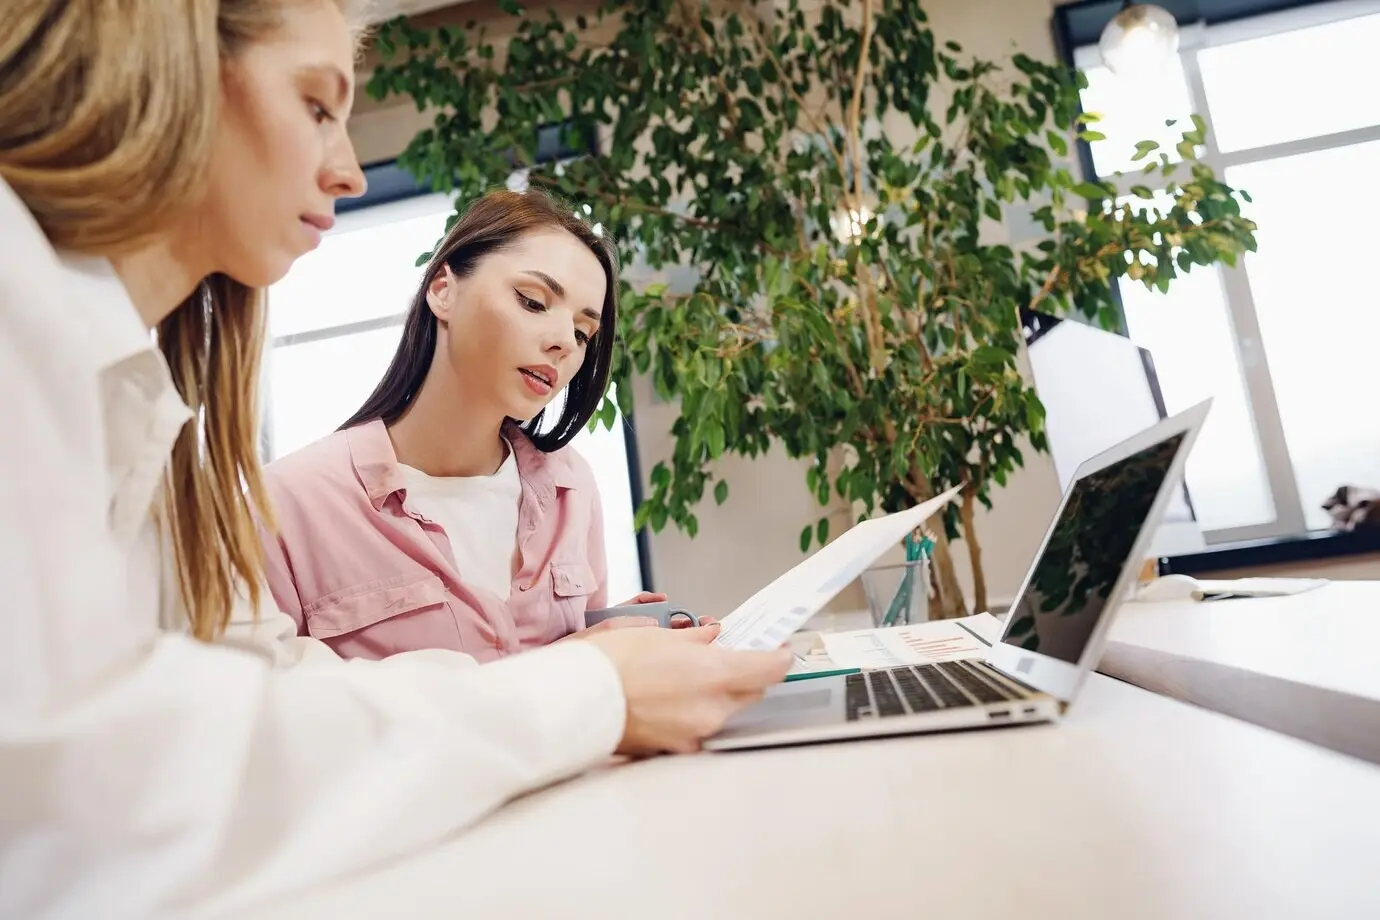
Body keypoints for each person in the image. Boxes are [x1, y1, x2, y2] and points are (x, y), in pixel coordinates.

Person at [0, 2, 792, 917]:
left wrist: (597, 665)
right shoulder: (255, 474)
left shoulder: (158, 422)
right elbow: (77, 799)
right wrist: (585, 690)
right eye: (315, 105)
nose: (345, 169)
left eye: (583, 328)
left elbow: (258, 691)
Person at [258, 188, 690, 662]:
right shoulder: (284, 505)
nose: (565, 341)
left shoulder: (571, 487)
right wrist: (562, 667)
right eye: (532, 301)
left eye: (583, 332)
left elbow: (583, 704)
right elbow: (270, 713)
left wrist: (616, 647)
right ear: (443, 290)